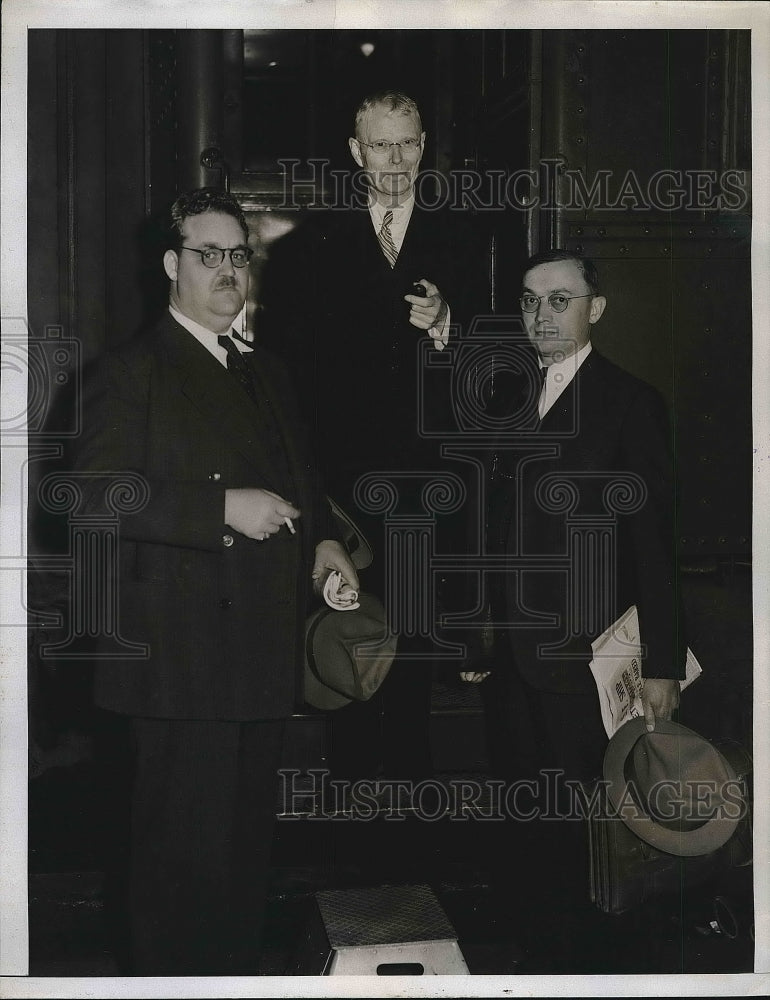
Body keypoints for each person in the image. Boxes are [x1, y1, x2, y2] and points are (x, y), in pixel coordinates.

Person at [72, 187, 358, 975]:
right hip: (178, 669)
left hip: (256, 662)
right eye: (210, 255)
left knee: (238, 876)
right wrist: (220, 507)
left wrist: (324, 546)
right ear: (171, 265)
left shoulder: (268, 370)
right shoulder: (132, 372)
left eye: (240, 255)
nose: (229, 271)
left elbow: (301, 481)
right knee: (177, 882)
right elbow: (88, 494)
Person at [261, 91, 486, 785]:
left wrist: (450, 322)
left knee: (416, 628)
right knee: (347, 617)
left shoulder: (469, 238)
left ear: (425, 146)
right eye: (381, 146)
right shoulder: (306, 248)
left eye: (409, 144)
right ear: (356, 153)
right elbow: (282, 375)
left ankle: (412, 782)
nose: (396, 161)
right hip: (342, 479)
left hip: (430, 475)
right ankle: (355, 783)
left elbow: (504, 359)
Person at [472, 249, 686, 968]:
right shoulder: (506, 396)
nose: (542, 315)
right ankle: (531, 963)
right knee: (524, 825)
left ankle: (590, 968)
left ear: (596, 308)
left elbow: (655, 544)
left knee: (587, 830)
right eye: (531, 301)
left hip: (587, 659)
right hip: (513, 658)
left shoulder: (631, 403)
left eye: (560, 300)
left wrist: (662, 664)